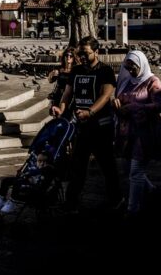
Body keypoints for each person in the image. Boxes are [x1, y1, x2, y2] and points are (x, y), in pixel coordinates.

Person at [52, 36, 122, 213]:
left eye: (86, 53)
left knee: (107, 166)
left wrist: (90, 112)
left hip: (101, 127)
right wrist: (61, 109)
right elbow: (67, 94)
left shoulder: (105, 71)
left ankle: (117, 198)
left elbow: (105, 96)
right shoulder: (75, 71)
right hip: (81, 127)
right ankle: (71, 202)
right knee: (77, 166)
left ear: (96, 52)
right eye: (80, 53)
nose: (82, 56)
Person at [112, 50, 161, 217]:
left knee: (135, 171)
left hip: (144, 133)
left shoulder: (153, 82)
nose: (130, 70)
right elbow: (120, 101)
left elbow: (158, 105)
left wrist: (135, 107)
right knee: (128, 167)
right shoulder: (127, 81)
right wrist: (117, 105)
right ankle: (151, 190)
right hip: (127, 132)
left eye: (133, 67)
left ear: (141, 65)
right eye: (127, 67)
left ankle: (133, 209)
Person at [0, 149, 55, 214]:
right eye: (39, 161)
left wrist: (27, 175)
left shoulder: (48, 169)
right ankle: (1, 199)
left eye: (45, 161)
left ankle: (12, 202)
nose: (42, 163)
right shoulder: (35, 167)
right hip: (27, 182)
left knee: (17, 183)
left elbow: (41, 179)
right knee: (6, 180)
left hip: (35, 190)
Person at [47, 47, 78, 115]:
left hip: (70, 97)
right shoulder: (59, 69)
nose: (68, 57)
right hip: (58, 95)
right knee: (56, 114)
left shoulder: (76, 70)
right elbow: (50, 81)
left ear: (74, 57)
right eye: (66, 55)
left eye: (71, 56)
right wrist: (50, 75)